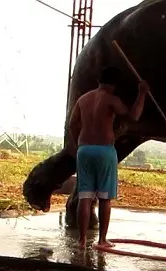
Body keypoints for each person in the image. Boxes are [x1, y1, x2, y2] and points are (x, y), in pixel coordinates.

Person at [67, 66, 150, 249]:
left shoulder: (84, 99)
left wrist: (78, 143)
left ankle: (81, 240)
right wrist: (142, 93)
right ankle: (102, 240)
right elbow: (133, 117)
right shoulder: (112, 100)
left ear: (99, 81)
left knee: (84, 196)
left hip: (84, 149)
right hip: (104, 150)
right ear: (115, 84)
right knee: (105, 198)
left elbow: (72, 124)